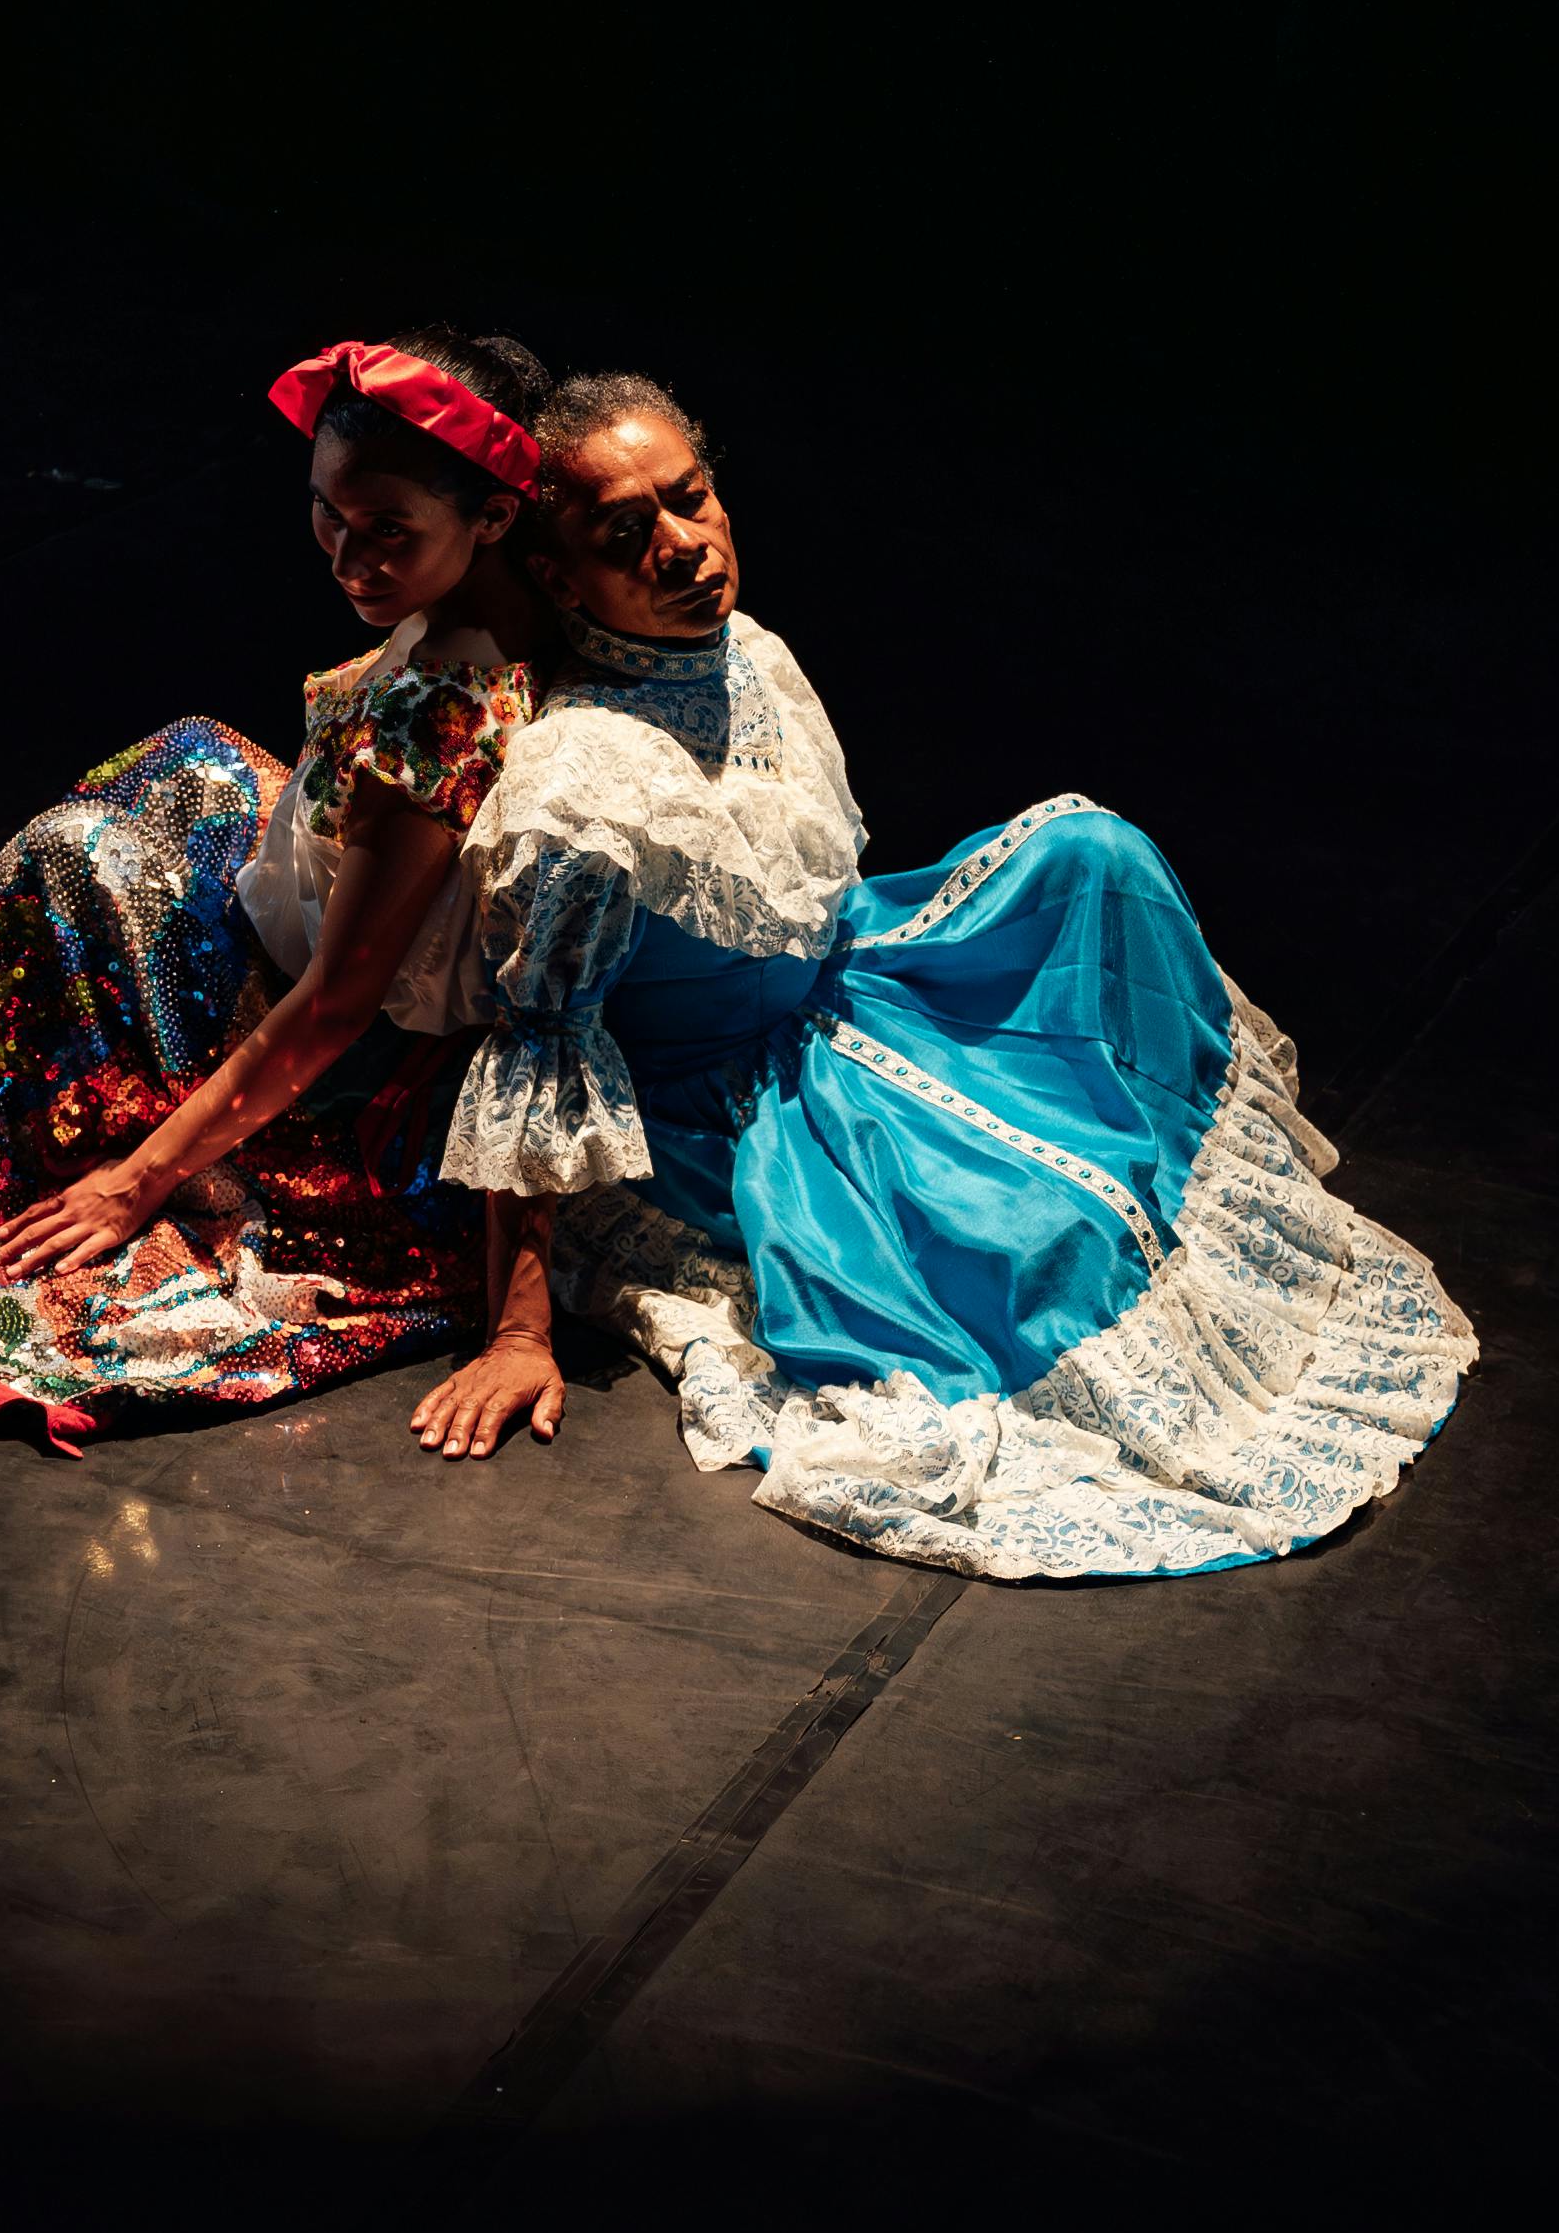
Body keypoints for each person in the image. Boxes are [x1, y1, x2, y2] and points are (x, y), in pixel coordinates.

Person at [419, 371, 1476, 1577]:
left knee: (1090, 855)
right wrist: (518, 1328)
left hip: (844, 980)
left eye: (690, 500)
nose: (683, 548)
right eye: (625, 535)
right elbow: (537, 1042)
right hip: (716, 1101)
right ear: (559, 577)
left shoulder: (741, 650)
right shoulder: (580, 787)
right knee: (1039, 1239)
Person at [0, 331, 559, 1450]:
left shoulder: (440, 710)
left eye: (389, 532)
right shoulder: (520, 592)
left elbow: (335, 1002)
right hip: (336, 892)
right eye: (329, 512)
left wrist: (135, 1182)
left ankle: (10, 1133)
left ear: (492, 516)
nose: (346, 556)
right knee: (188, 755)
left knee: (70, 856)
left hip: (345, 1035)